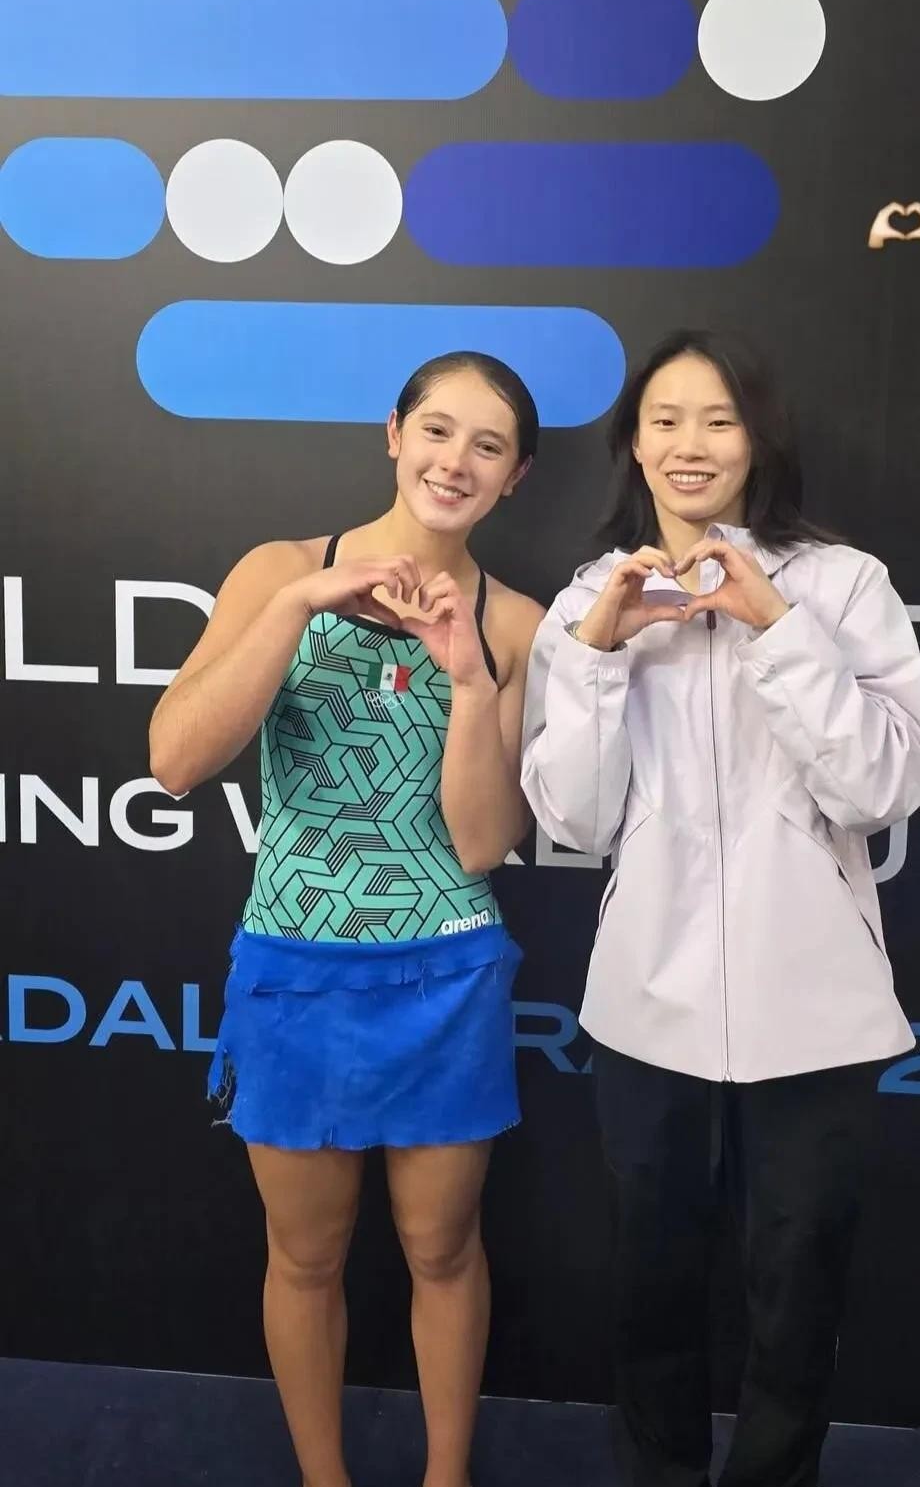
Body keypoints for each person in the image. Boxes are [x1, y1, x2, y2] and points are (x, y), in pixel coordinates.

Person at [521, 330, 920, 1487]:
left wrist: (778, 630)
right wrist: (600, 657)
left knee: (798, 1293)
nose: (690, 444)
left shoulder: (841, 584)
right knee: (649, 1288)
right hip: (645, 1011)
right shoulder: (586, 601)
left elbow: (882, 786)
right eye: (665, 419)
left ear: (759, 438)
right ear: (633, 443)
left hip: (816, 1015)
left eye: (718, 418)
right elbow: (575, 819)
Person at [149, 350, 545, 1487]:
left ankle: (445, 1477)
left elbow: (481, 843)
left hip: (447, 973)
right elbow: (175, 760)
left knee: (443, 1249)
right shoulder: (281, 569)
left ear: (516, 476)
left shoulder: (515, 621)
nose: (455, 461)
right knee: (306, 1257)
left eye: (488, 445)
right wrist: (297, 608)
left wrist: (467, 679)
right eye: (438, 430)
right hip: (296, 962)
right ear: (394, 434)